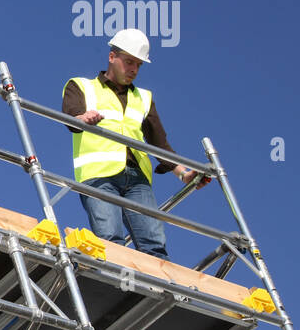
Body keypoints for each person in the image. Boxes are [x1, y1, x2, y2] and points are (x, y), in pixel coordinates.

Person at [62, 29, 208, 259]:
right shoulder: (81, 86)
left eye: (138, 65)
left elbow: (159, 142)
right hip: (99, 176)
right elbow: (71, 119)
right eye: (129, 62)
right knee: (110, 240)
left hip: (137, 179)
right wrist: (82, 119)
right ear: (112, 57)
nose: (133, 70)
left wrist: (184, 174)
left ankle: (160, 292)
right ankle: (117, 291)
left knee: (153, 245)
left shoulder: (144, 98)